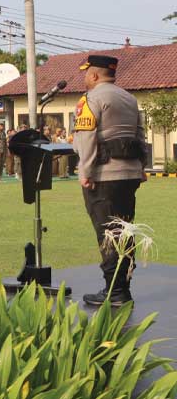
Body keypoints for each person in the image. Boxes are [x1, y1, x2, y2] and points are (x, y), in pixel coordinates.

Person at [73, 55, 149, 306]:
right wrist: (142, 167)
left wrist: (85, 172)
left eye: (86, 74)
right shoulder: (129, 98)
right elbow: (139, 135)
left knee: (107, 233)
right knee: (125, 232)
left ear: (94, 75)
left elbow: (86, 138)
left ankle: (114, 291)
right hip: (129, 175)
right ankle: (122, 288)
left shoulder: (91, 98)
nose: (85, 78)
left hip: (104, 176)